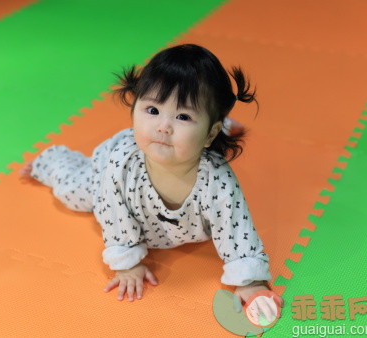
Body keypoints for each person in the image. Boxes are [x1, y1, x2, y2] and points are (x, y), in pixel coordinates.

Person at [22, 44, 283, 323]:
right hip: (103, 170)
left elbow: (237, 228)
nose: (163, 127)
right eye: (152, 110)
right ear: (134, 109)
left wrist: (249, 281)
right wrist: (127, 263)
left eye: (183, 116)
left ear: (210, 135)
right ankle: (51, 161)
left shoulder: (217, 179)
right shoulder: (121, 164)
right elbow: (114, 212)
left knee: (194, 137)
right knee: (73, 193)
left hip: (200, 147)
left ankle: (221, 123)